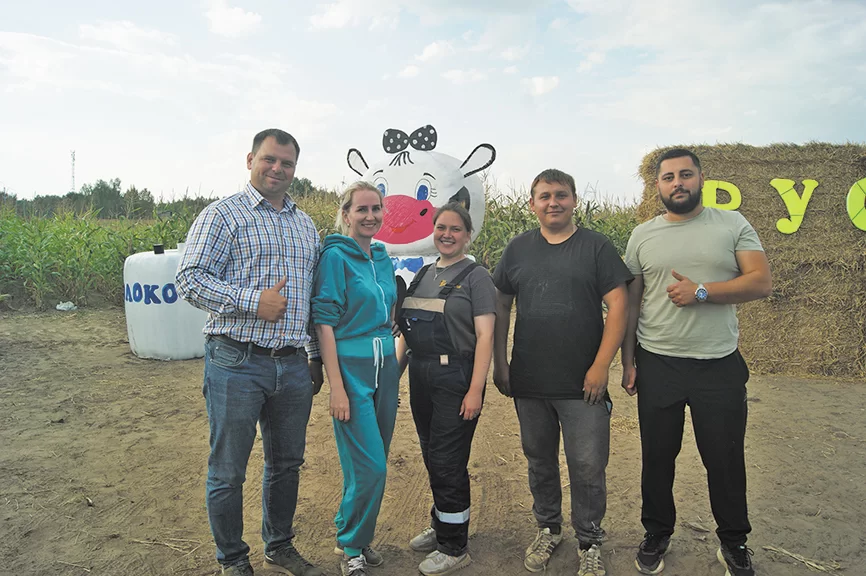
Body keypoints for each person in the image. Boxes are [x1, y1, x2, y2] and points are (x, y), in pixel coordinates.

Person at [176, 129, 325, 576]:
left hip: (292, 364)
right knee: (229, 469)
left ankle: (279, 546)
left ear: (295, 169)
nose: (277, 169)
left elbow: (309, 299)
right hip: (235, 360)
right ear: (250, 160)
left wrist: (314, 355)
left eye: (287, 163)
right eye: (269, 159)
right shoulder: (222, 216)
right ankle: (233, 560)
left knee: (286, 464)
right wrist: (252, 301)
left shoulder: (305, 225)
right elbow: (189, 278)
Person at [621, 148, 772, 576]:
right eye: (668, 177)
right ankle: (656, 532)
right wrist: (628, 360)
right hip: (658, 363)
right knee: (657, 457)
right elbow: (632, 303)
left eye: (685, 174)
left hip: (717, 364)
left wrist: (702, 291)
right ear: (657, 185)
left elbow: (761, 282)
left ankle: (734, 542)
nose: (678, 183)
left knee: (724, 458)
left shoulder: (732, 224)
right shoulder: (642, 235)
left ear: (701, 178)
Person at [492, 169, 632, 576]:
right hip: (530, 380)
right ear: (532, 204)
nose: (553, 202)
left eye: (561, 195)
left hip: (583, 383)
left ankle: (589, 540)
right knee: (539, 459)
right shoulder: (518, 249)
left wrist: (601, 366)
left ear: (574, 200)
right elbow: (500, 304)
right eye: (544, 196)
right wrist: (501, 362)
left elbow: (619, 305)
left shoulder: (596, 247)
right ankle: (548, 528)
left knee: (587, 466)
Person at [395, 203, 496, 576]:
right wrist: (393, 377)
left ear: (468, 235)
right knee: (430, 454)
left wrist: (475, 390)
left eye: (455, 229)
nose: (447, 234)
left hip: (455, 376)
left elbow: (485, 336)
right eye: (441, 227)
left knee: (447, 460)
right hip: (420, 374)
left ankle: (454, 547)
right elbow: (406, 333)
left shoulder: (476, 277)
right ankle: (442, 523)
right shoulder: (423, 274)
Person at [311, 181, 400, 576]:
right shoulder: (335, 257)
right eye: (361, 209)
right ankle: (350, 545)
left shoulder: (381, 257)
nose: (370, 216)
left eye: (376, 208)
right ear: (345, 214)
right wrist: (337, 387)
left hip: (386, 369)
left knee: (371, 460)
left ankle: (356, 536)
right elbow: (324, 323)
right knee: (371, 467)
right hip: (352, 371)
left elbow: (389, 314)